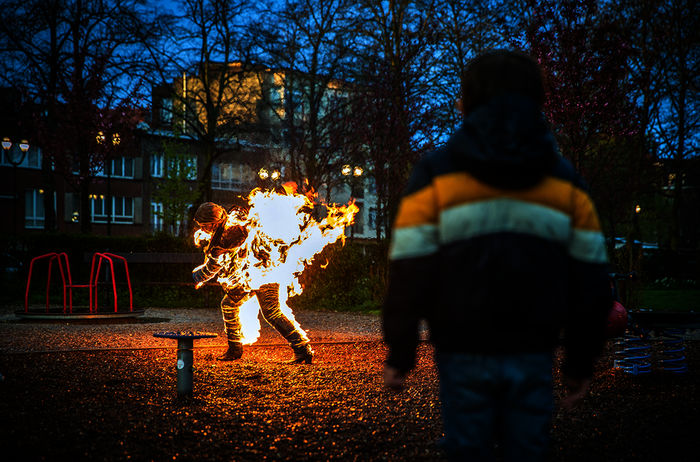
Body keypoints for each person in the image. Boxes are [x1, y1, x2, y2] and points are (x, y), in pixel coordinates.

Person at [381, 49, 613, 461]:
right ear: (539, 102)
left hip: (462, 348)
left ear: (464, 103)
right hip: (533, 348)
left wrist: (401, 352)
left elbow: (410, 268)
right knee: (528, 449)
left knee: (467, 449)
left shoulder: (435, 175)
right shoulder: (566, 183)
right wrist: (579, 360)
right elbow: (591, 278)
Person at [192, 201, 314, 364]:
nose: (203, 229)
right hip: (252, 274)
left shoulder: (225, 238)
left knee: (272, 312)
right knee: (229, 304)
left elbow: (211, 268)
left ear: (213, 222)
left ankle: (302, 349)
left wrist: (196, 276)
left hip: (263, 272)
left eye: (204, 225)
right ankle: (235, 349)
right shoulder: (235, 221)